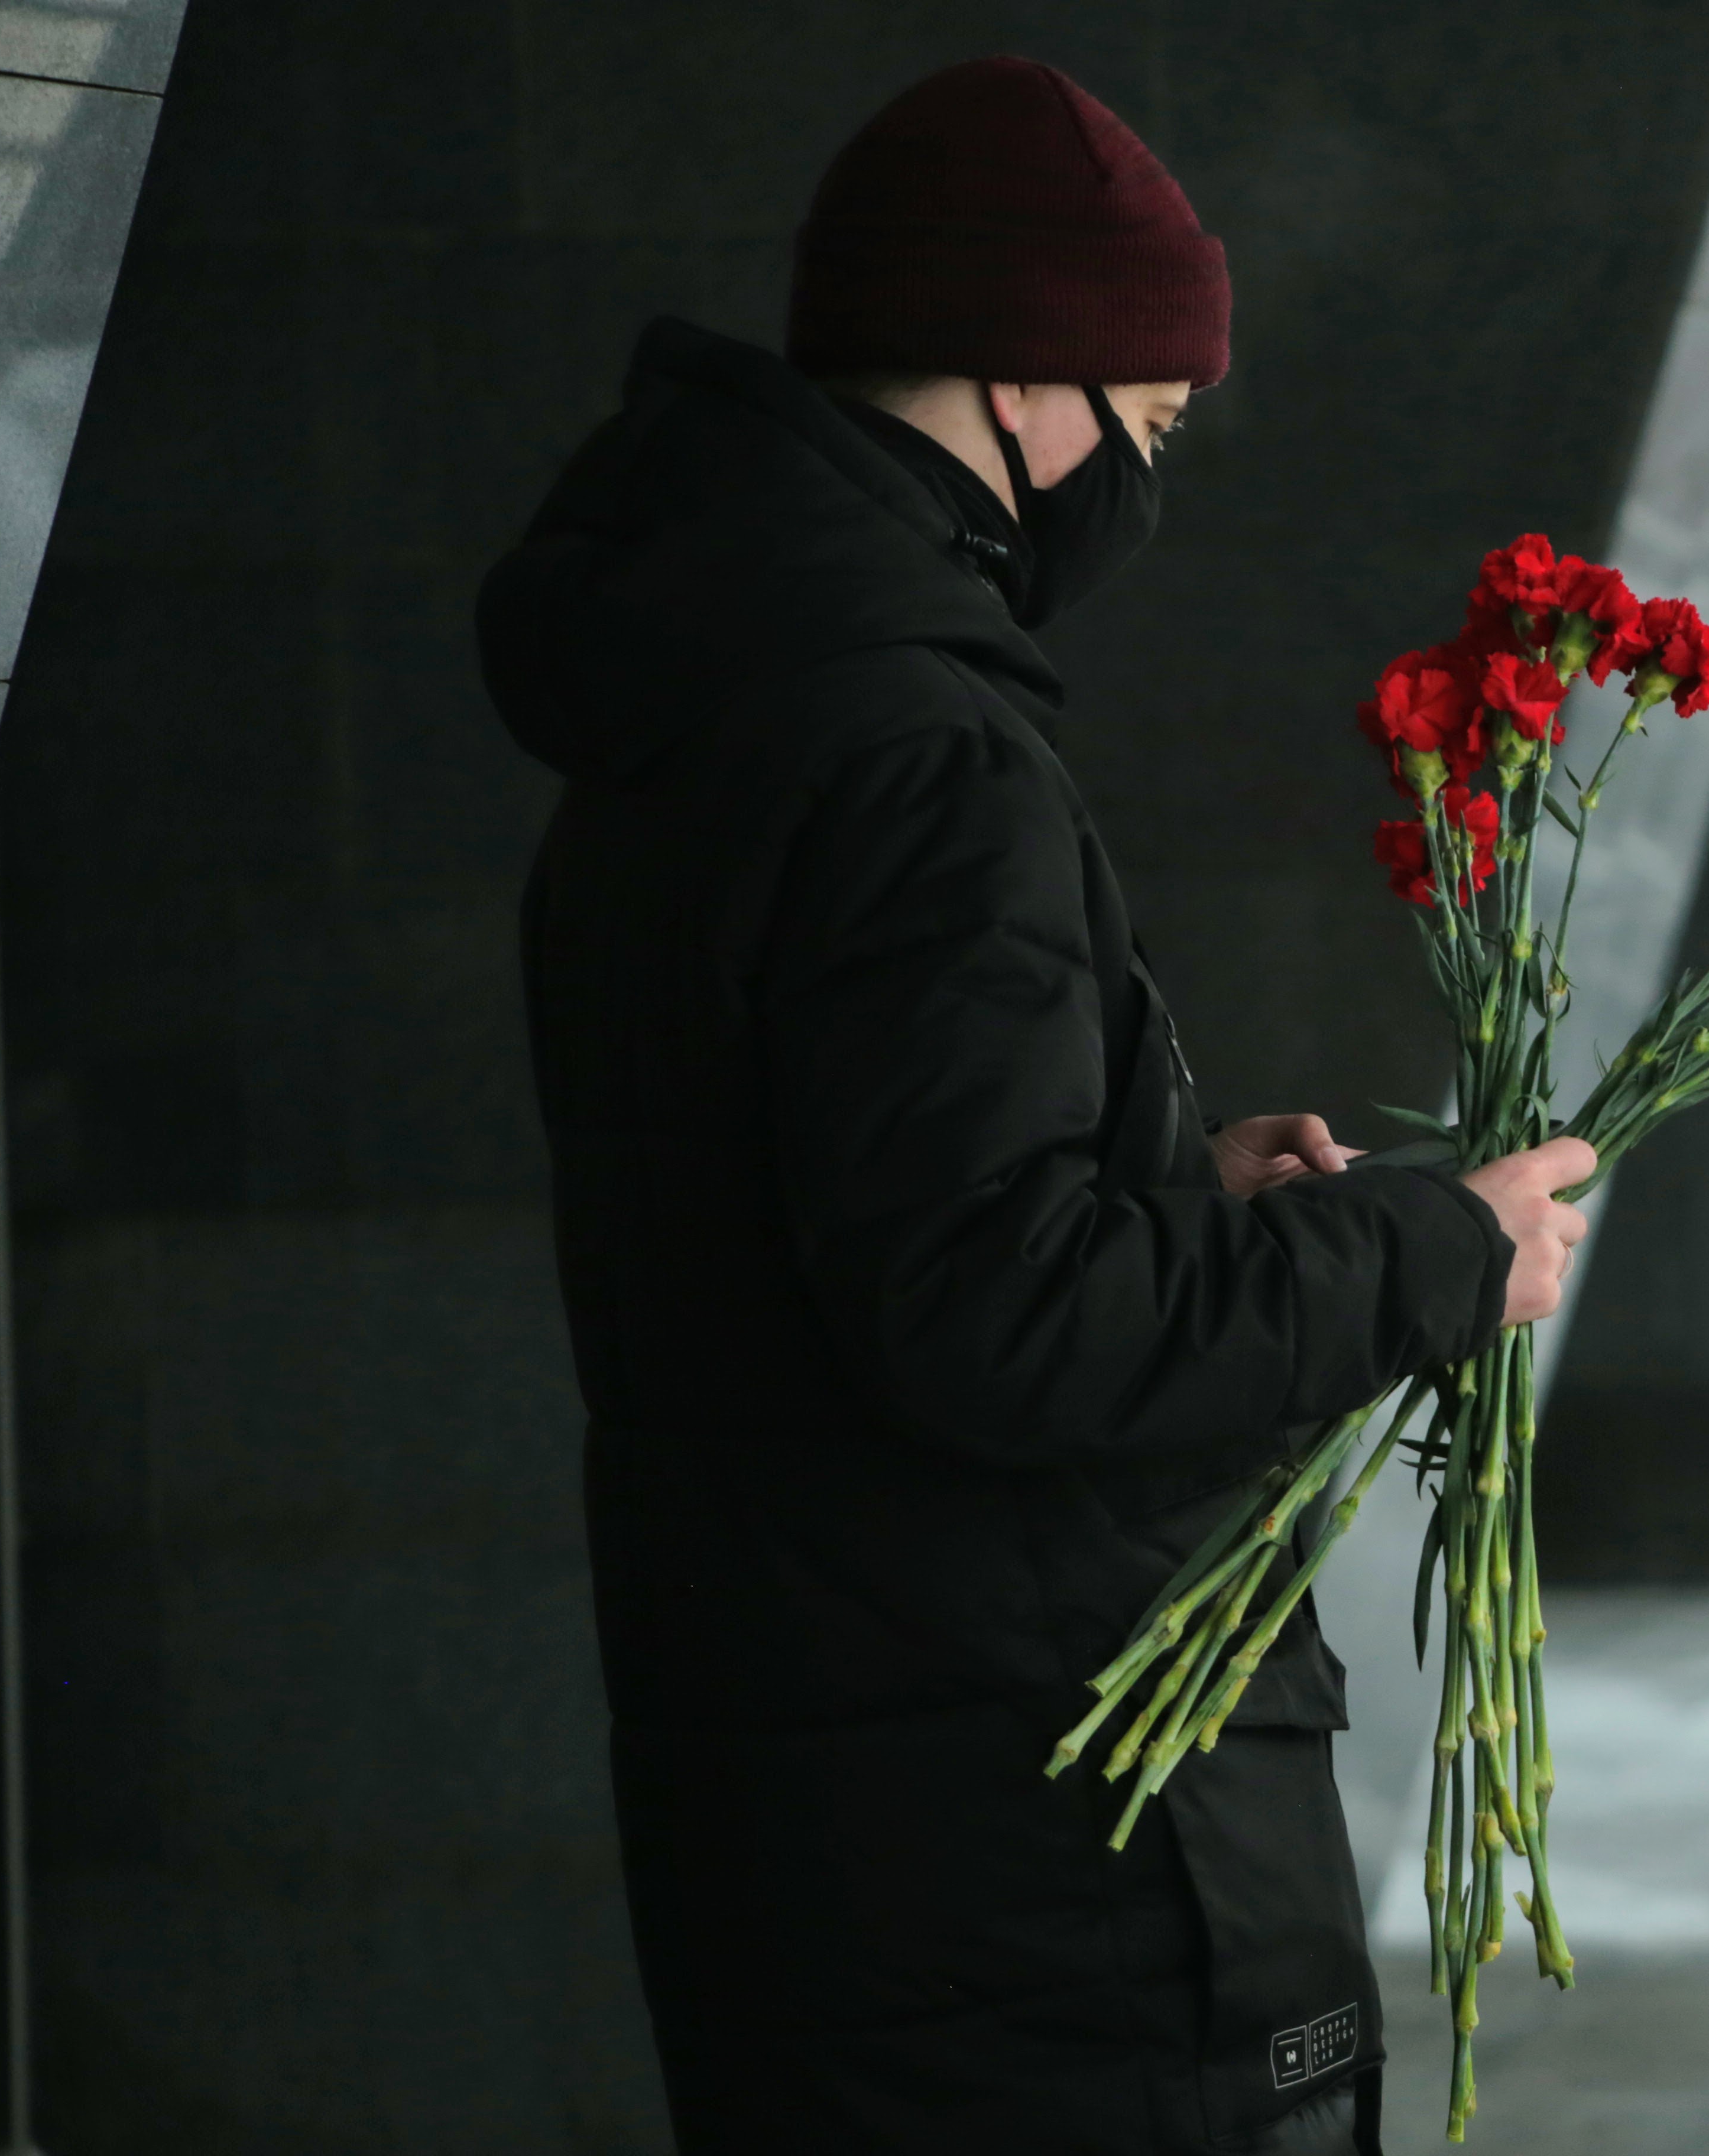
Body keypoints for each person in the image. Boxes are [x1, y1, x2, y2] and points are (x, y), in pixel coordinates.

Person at [475, 56, 1593, 2156]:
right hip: (1044, 1870)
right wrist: (1435, 1248)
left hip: (827, 1815)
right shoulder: (915, 752)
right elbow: (1002, 1322)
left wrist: (1171, 1184)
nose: (1146, 478)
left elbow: (832, 1235)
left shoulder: (696, 709)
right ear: (1021, 378)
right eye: (1147, 424)